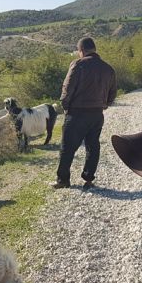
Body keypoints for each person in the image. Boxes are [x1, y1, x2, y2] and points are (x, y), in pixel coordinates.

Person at [53, 37, 117, 189]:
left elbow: (67, 88)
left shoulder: (78, 64)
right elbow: (113, 93)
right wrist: (104, 104)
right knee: (93, 146)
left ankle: (63, 180)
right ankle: (88, 179)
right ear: (94, 49)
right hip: (97, 115)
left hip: (77, 113)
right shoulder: (108, 69)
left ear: (81, 50)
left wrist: (66, 107)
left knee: (67, 147)